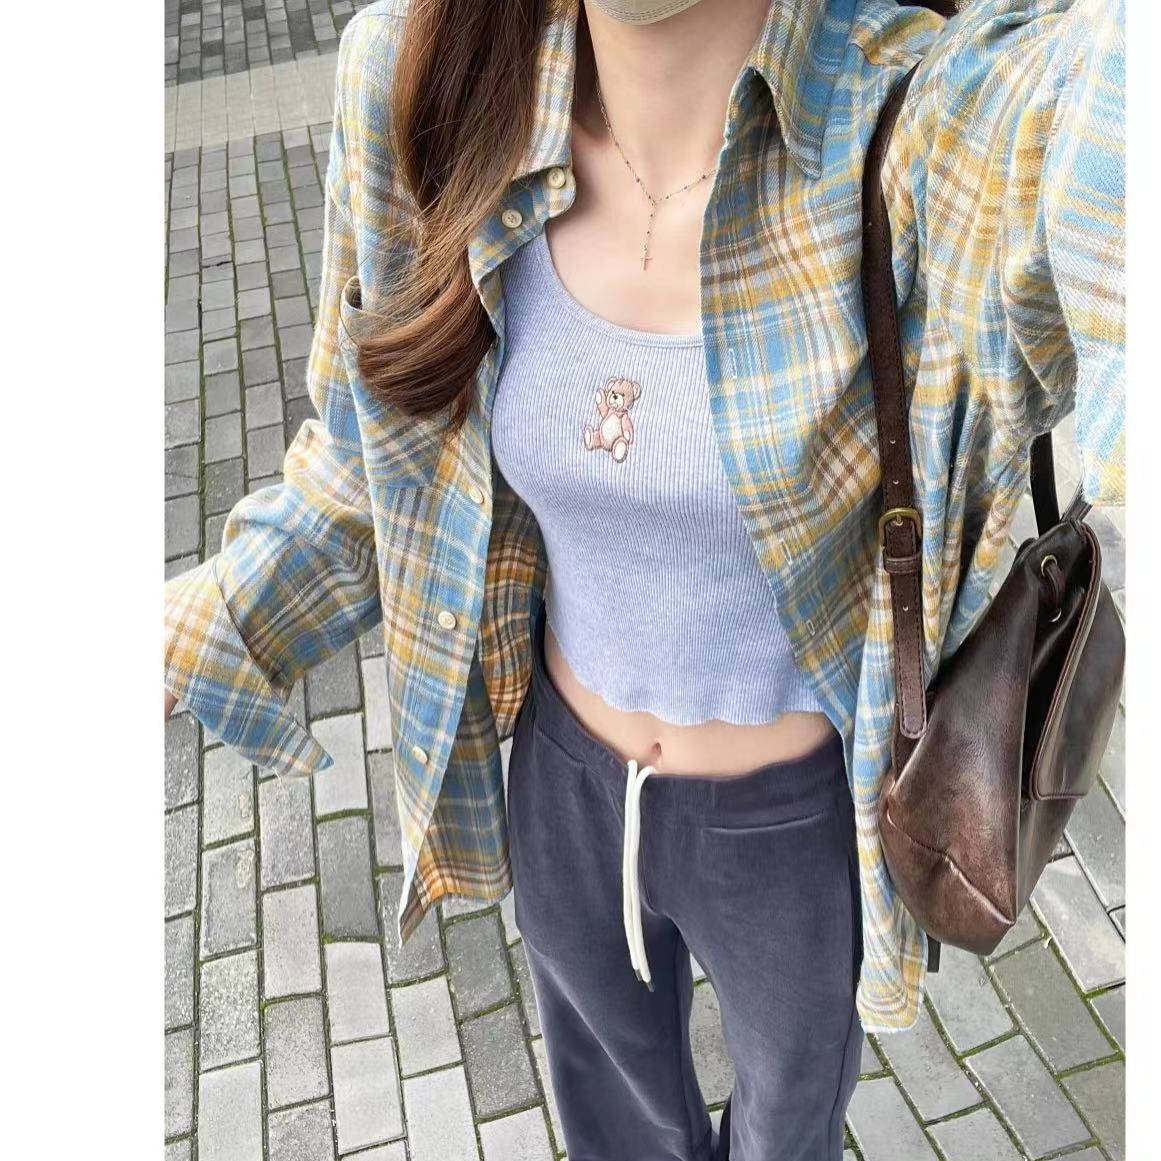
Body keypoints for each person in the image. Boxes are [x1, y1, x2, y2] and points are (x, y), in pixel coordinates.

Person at [162, 0, 1125, 1157]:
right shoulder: (426, 78)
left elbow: (1107, 138)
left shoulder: (934, 115)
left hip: (793, 822)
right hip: (563, 784)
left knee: (788, 1126)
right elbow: (368, 461)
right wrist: (191, 628)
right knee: (614, 1124)